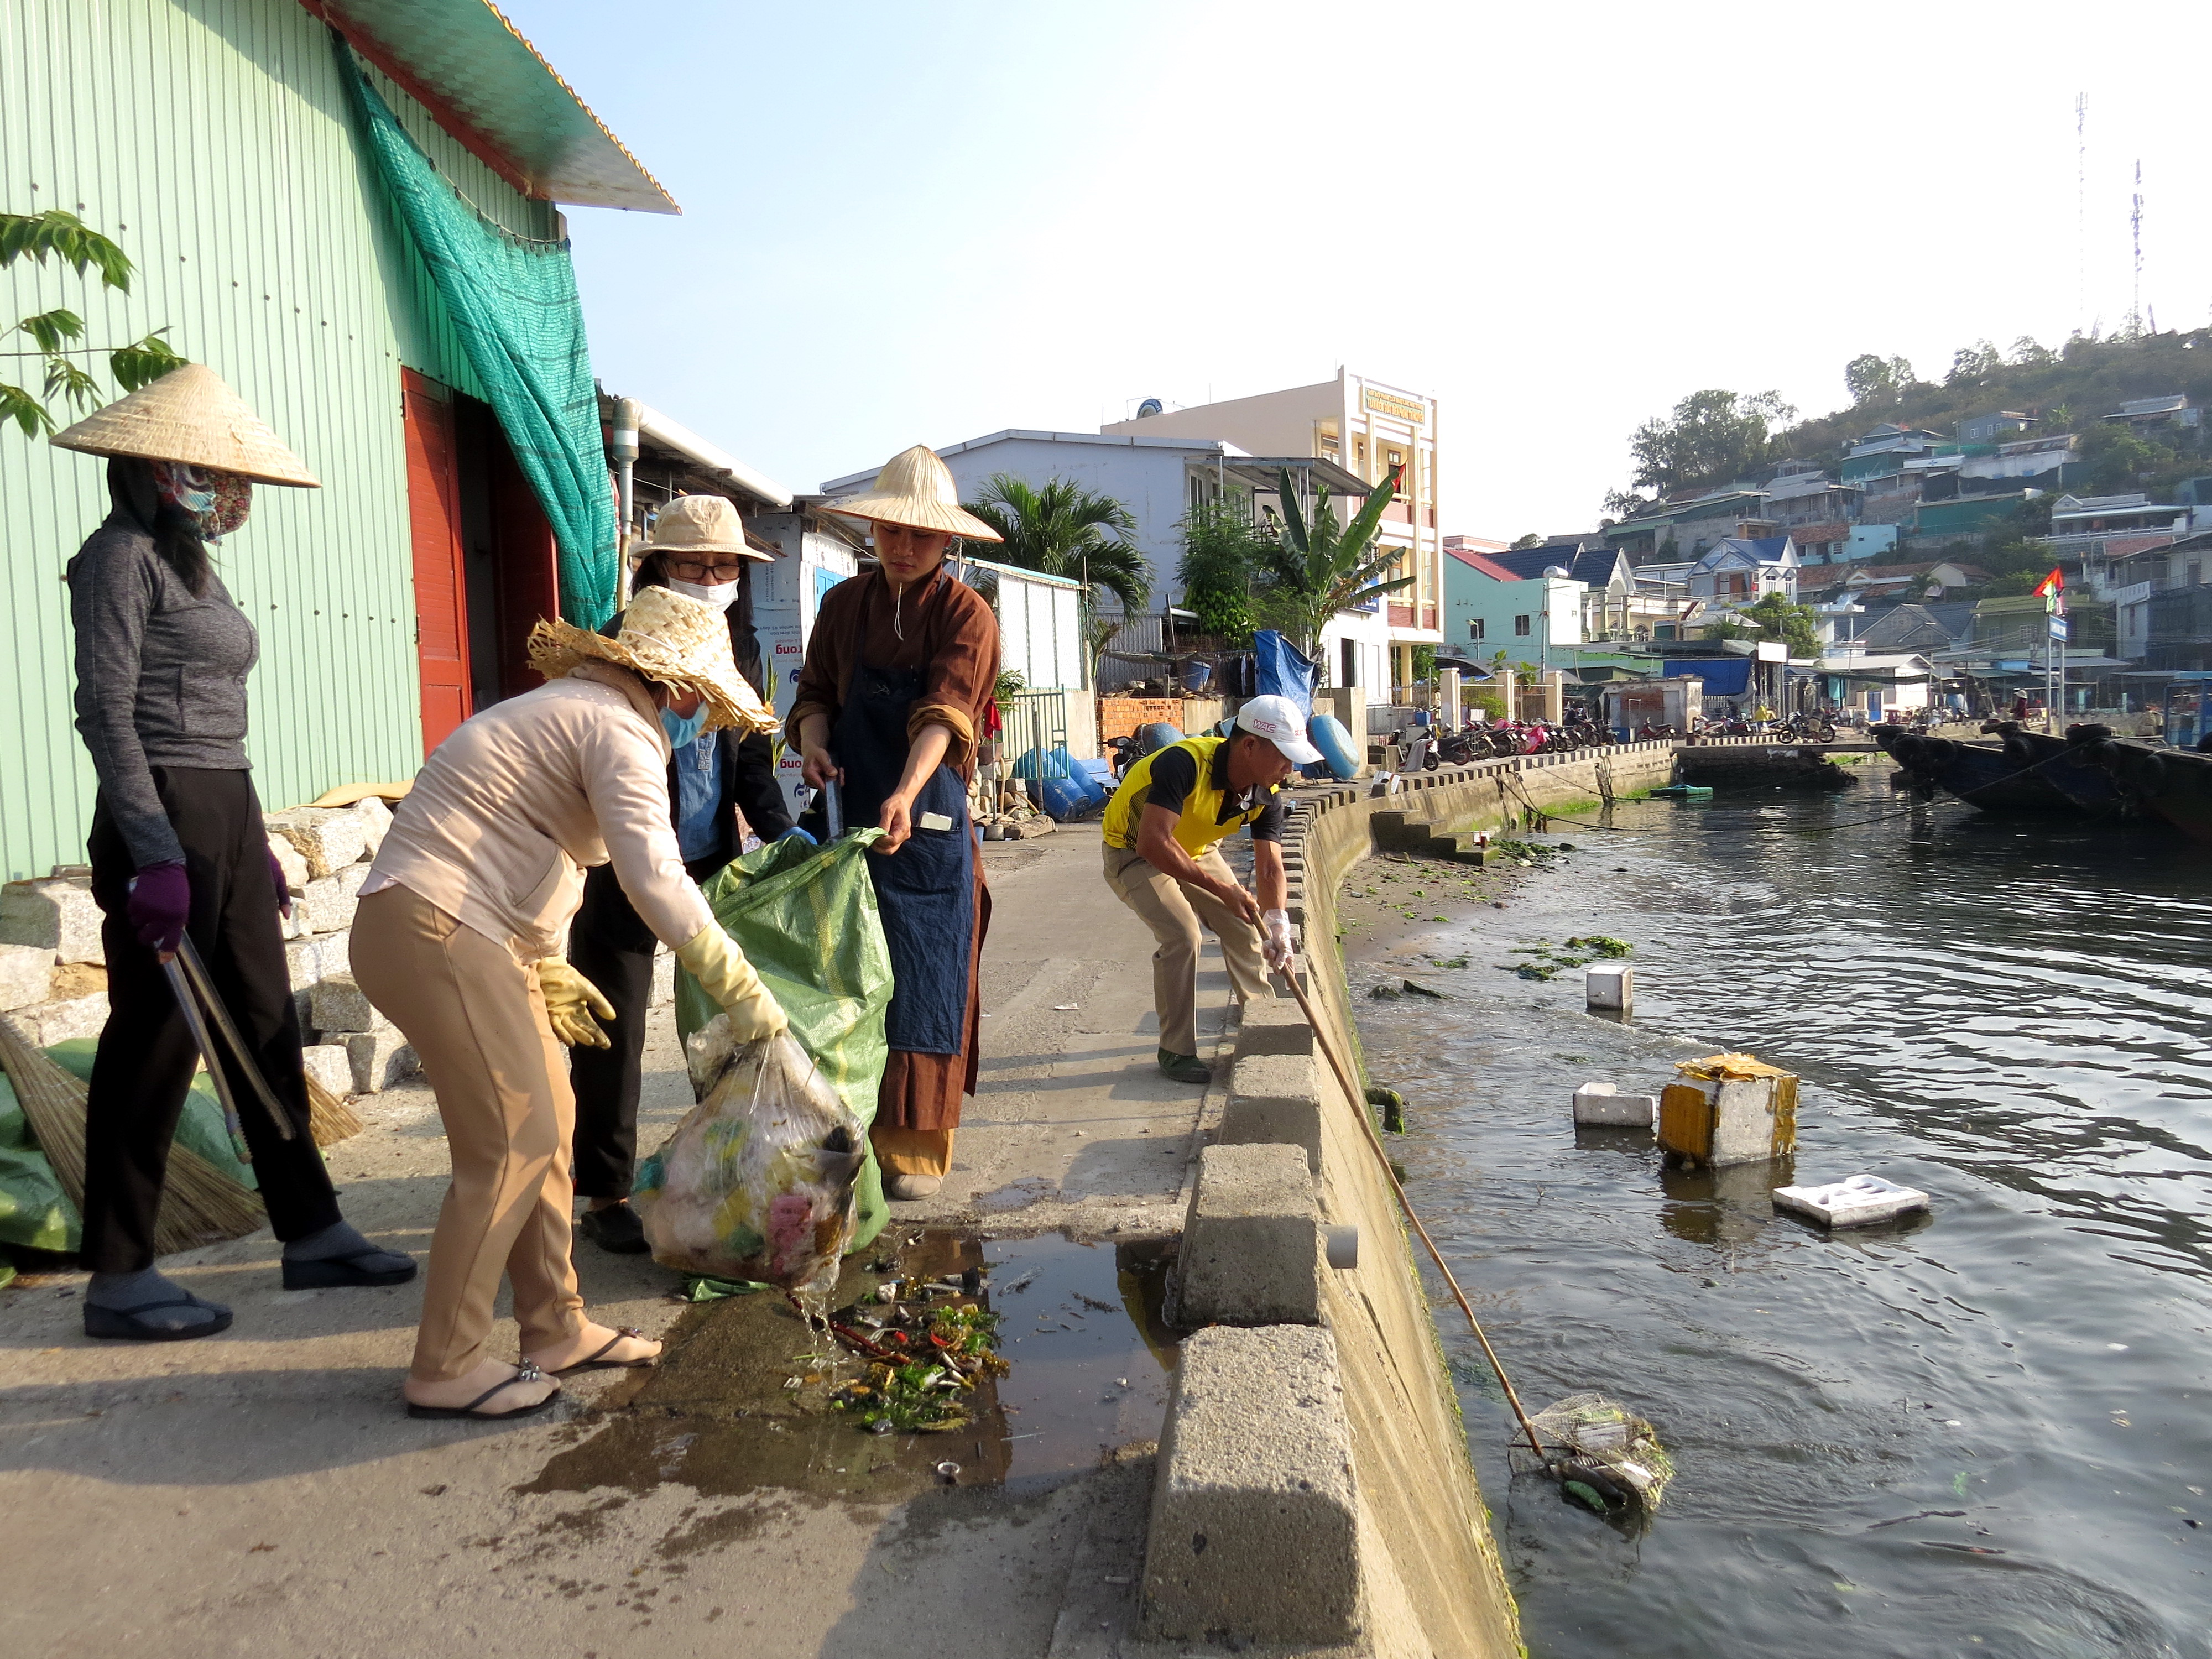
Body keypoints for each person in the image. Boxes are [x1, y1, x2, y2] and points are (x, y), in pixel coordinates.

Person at [349, 585, 788, 1420]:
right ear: (683, 689)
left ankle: (554, 1325)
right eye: (708, 704)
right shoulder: (618, 729)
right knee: (512, 1145)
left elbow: (535, 846)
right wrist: (739, 986)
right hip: (441, 925)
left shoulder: (573, 709)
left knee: (550, 1126)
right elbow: (651, 874)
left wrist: (545, 960)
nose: (705, 722)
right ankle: (447, 1362)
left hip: (453, 925)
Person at [53, 363, 417, 1341]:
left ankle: (311, 1229)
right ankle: (120, 1274)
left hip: (224, 804)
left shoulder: (190, 562)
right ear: (155, 468)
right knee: (156, 1043)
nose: (227, 492)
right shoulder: (117, 558)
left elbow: (222, 723)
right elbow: (107, 714)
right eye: (206, 472)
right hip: (161, 811)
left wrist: (248, 840)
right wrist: (157, 852)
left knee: (263, 1022)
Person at [567, 495, 796, 1255]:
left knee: (723, 1024)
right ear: (657, 568)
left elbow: (753, 764)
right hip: (621, 864)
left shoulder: (746, 651)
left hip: (705, 859)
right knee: (614, 1026)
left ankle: (727, 1164)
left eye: (724, 565)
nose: (710, 576)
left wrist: (786, 841)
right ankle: (603, 1193)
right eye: (694, 563)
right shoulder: (612, 647)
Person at [787, 446, 1001, 1201]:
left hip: (927, 820)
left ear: (948, 543)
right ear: (872, 533)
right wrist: (814, 745)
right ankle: (840, 1133)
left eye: (920, 537)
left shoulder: (966, 615)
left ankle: (914, 1146)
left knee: (925, 975)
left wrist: (909, 792)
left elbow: (944, 714)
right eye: (889, 533)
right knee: (840, 975)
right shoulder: (843, 607)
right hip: (846, 813)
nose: (903, 549)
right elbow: (814, 695)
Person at [1098, 696, 1317, 1084]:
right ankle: (1176, 1050)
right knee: (1183, 935)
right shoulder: (1183, 764)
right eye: (1284, 756)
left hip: (1197, 849)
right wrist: (1222, 889)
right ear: (1249, 746)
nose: (1290, 768)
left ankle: (1261, 1025)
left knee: (1248, 926)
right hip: (1134, 850)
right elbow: (1154, 843)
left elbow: (1268, 866)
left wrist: (1278, 923)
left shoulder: (1267, 792)